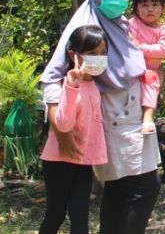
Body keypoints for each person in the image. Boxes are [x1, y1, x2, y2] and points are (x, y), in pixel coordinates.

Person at [40, 0, 161, 234]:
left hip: (134, 119)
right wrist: (59, 131)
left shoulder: (122, 26)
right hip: (111, 122)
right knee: (144, 188)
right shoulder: (84, 25)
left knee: (121, 189)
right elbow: (51, 78)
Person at [40, 25, 109, 234]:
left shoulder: (95, 85)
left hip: (82, 161)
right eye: (91, 54)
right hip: (59, 161)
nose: (99, 58)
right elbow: (63, 124)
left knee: (80, 215)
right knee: (57, 213)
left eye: (103, 53)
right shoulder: (65, 85)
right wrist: (71, 86)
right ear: (74, 55)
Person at [128, 0, 165, 135]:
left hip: (149, 71)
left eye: (155, 5)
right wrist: (148, 50)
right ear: (136, 8)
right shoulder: (131, 23)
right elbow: (128, 45)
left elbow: (162, 50)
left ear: (163, 8)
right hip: (130, 68)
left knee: (151, 81)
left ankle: (148, 117)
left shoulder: (164, 30)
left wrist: (140, 47)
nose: (150, 9)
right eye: (144, 5)